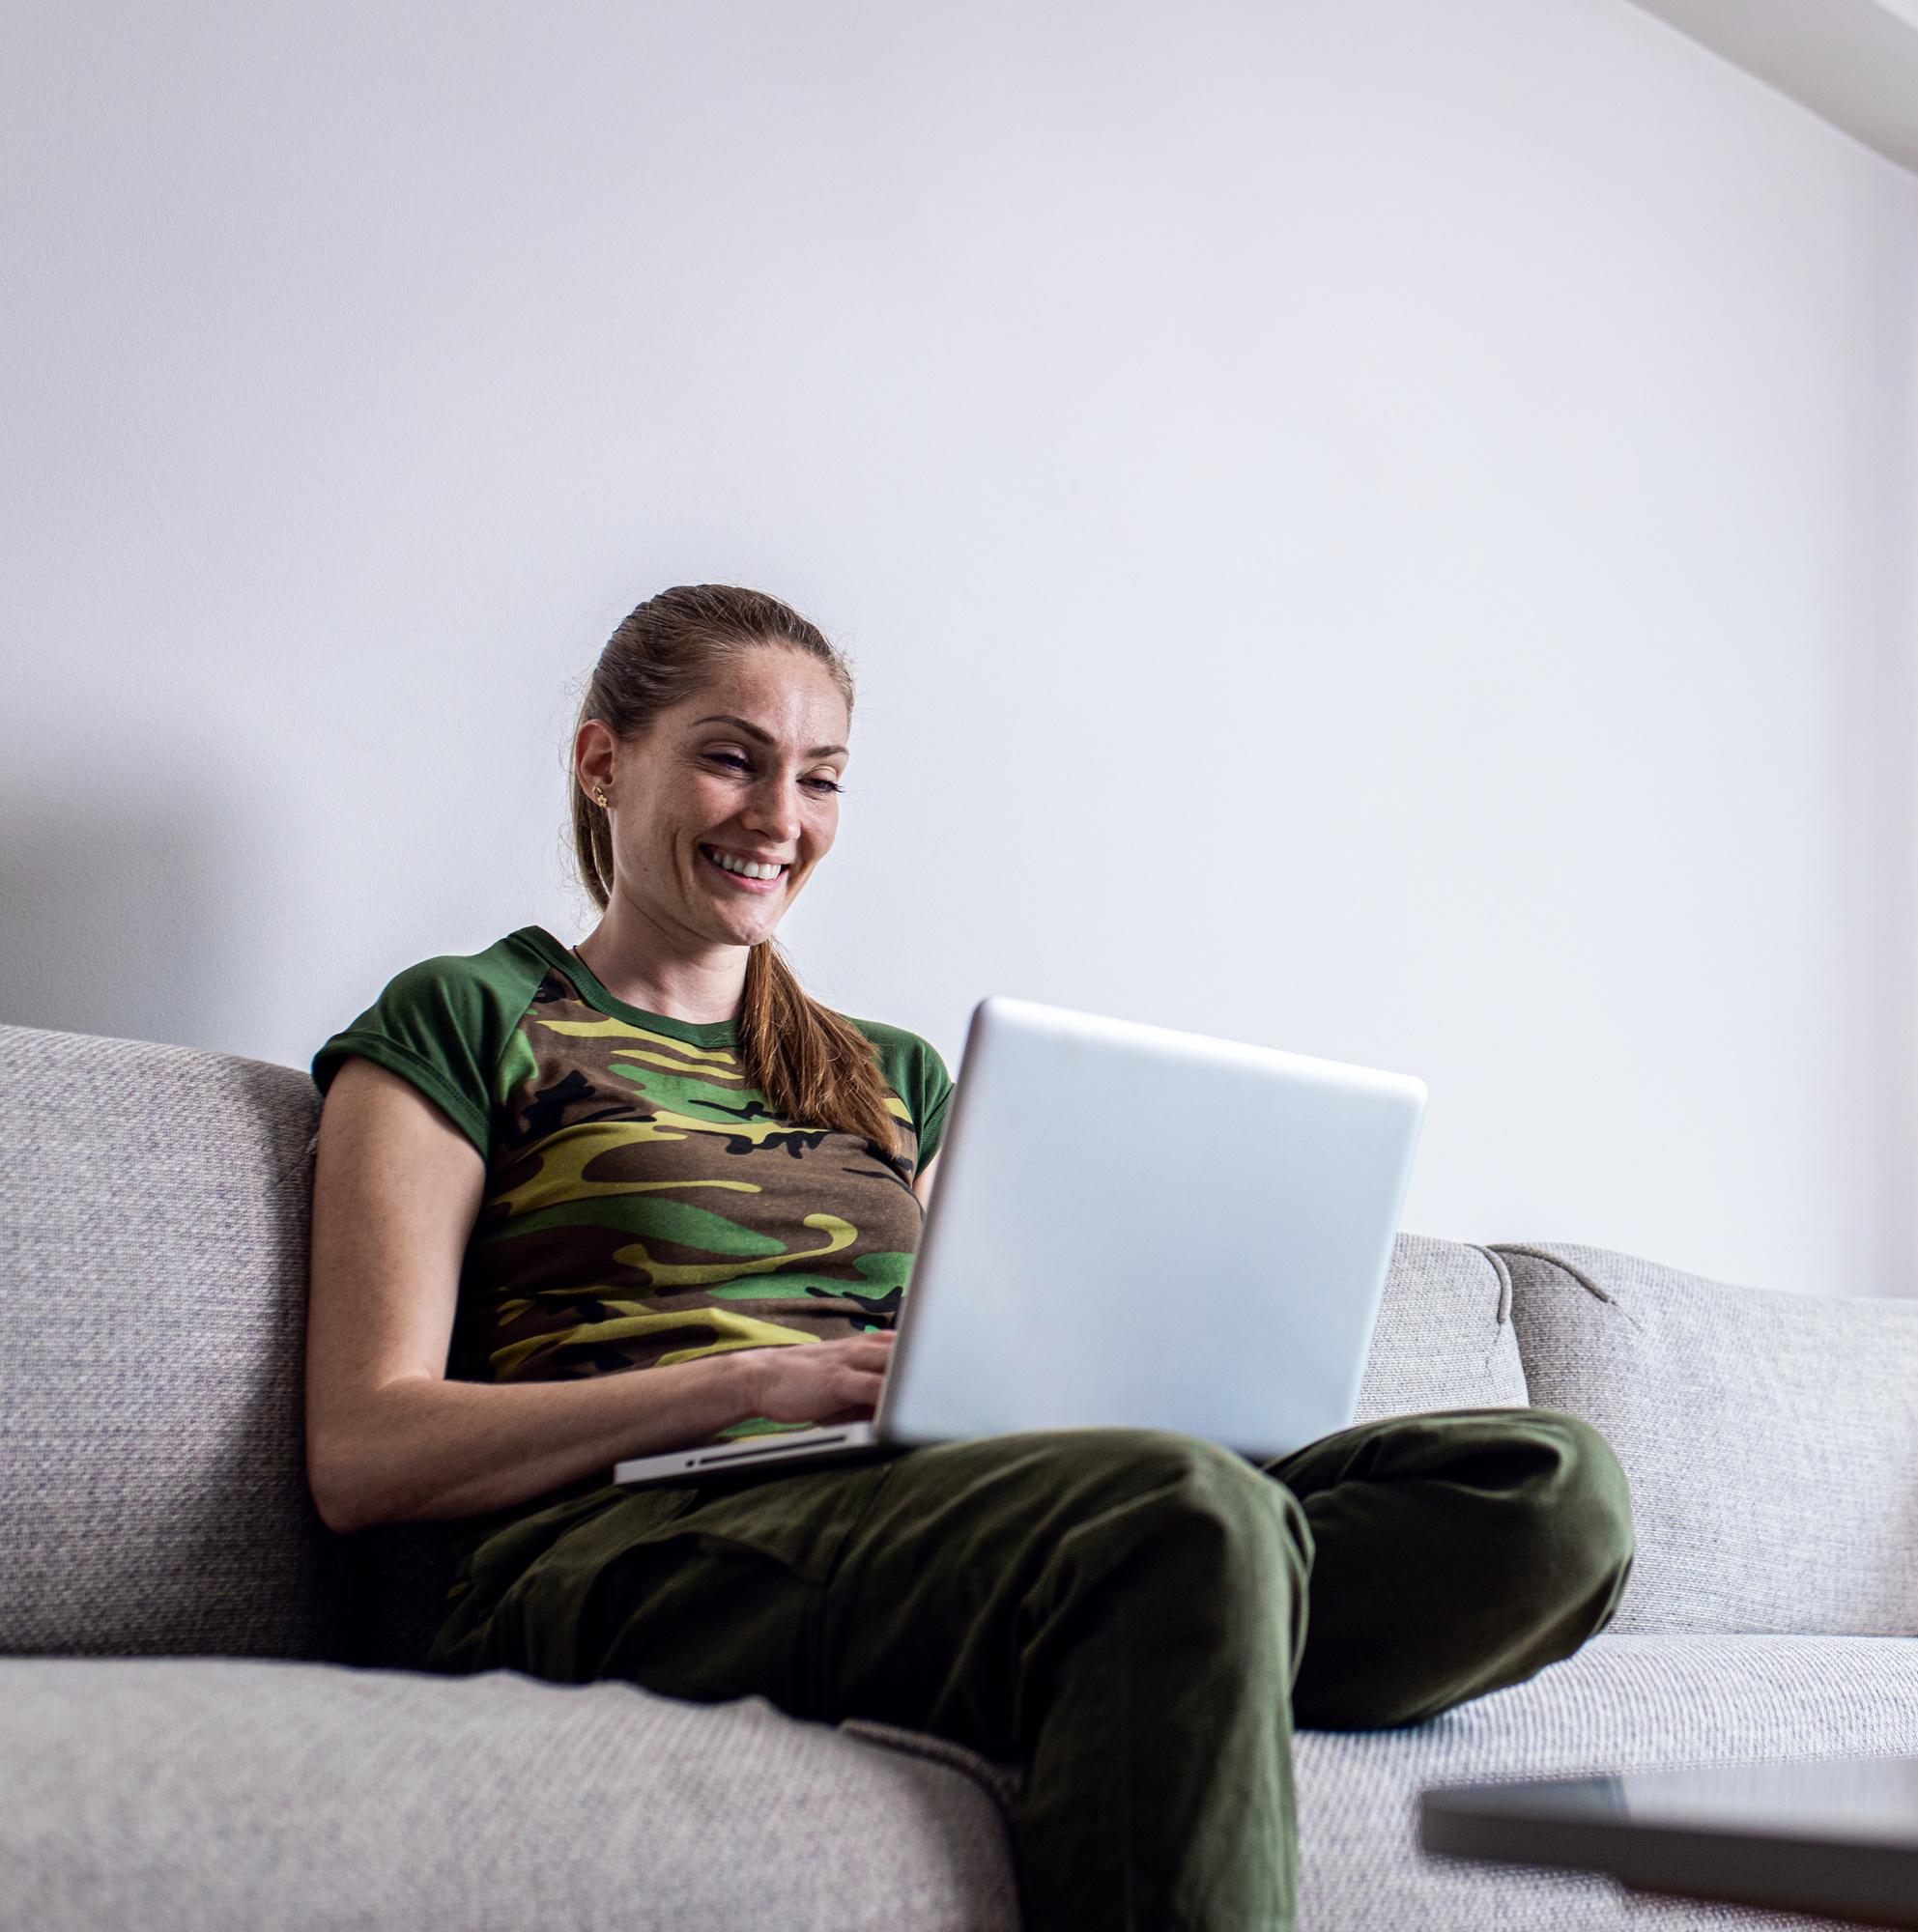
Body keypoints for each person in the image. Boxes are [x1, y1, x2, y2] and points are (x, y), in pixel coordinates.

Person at [301, 583, 1635, 1932]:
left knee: (1546, 1497)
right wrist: (750, 1385)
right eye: (732, 759)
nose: (779, 818)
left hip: (912, 1512)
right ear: (604, 763)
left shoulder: (890, 1074)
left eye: (819, 778)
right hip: (620, 1548)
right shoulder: (468, 1017)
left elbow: (985, 1356)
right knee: (1183, 1519)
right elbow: (363, 1453)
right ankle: (1155, 1606)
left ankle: (1147, 1624)